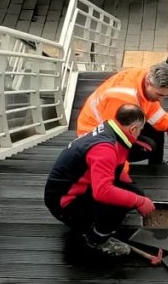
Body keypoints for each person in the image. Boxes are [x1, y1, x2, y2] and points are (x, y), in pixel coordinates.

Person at [45, 104, 157, 256]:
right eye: (140, 130)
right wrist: (138, 201)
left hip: (75, 188)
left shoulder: (108, 128)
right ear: (132, 129)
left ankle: (97, 222)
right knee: (119, 204)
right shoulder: (105, 149)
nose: (140, 133)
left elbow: (116, 167)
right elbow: (103, 192)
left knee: (132, 192)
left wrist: (134, 191)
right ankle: (97, 239)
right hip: (64, 203)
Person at [75, 63, 168, 165]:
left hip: (118, 124)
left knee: (158, 128)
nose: (161, 100)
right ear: (148, 83)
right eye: (159, 94)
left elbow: (151, 108)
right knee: (148, 147)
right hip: (94, 138)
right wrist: (122, 171)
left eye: (165, 96)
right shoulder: (121, 99)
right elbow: (111, 135)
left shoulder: (143, 77)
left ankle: (156, 166)